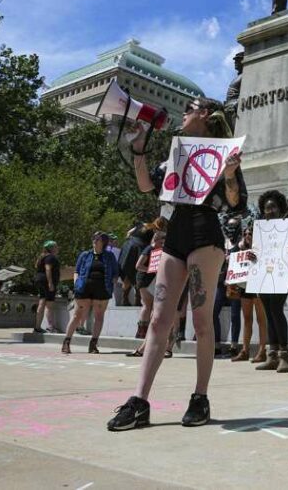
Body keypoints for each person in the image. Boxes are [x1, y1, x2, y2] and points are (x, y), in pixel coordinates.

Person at [108, 96, 245, 431]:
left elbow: (235, 202)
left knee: (201, 320)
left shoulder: (223, 152)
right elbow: (147, 186)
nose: (183, 113)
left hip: (206, 232)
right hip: (177, 232)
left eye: (189, 107)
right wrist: (138, 149)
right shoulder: (178, 151)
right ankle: (139, 401)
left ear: (204, 115)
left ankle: (200, 397)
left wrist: (229, 173)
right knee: (158, 319)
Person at [247, 189, 288, 373]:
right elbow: (255, 254)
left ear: (280, 208)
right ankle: (272, 355)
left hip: (280, 276)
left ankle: (285, 354)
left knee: (277, 310)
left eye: (273, 207)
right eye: (267, 208)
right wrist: (250, 254)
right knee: (268, 313)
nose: (270, 211)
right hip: (263, 276)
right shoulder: (259, 230)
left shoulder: (286, 229)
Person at [62, 232, 120, 355]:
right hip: (84, 288)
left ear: (103, 242)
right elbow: (76, 271)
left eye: (97, 239)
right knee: (77, 316)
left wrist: (112, 282)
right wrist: (76, 283)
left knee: (99, 316)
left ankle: (93, 344)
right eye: (93, 238)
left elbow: (116, 272)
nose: (94, 240)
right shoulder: (85, 255)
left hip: (102, 289)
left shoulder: (109, 256)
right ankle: (66, 342)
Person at [128, 228, 175, 360]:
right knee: (150, 308)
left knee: (154, 309)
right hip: (147, 281)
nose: (164, 243)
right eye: (163, 240)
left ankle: (147, 339)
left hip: (154, 282)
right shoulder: (150, 249)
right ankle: (143, 333)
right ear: (157, 239)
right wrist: (152, 269)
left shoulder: (160, 251)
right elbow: (138, 265)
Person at [233, 209, 268, 364]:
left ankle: (262, 350)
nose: (248, 236)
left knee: (261, 319)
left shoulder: (262, 249)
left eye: (250, 233)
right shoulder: (240, 248)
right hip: (245, 285)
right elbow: (233, 263)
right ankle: (245, 350)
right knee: (246, 318)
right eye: (246, 233)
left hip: (259, 285)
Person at [215, 207, 246, 357]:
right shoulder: (222, 242)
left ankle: (234, 345)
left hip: (235, 282)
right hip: (221, 281)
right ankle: (216, 344)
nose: (231, 229)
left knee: (235, 314)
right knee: (214, 312)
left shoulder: (241, 243)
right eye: (229, 226)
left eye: (234, 226)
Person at [118, 220, 152, 307]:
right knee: (139, 273)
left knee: (128, 273)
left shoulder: (139, 225)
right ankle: (137, 299)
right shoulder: (153, 229)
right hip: (140, 248)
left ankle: (125, 299)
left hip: (129, 246)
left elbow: (128, 233)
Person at [33, 241, 61, 334]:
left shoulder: (42, 257)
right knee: (49, 305)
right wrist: (50, 283)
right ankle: (50, 326)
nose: (58, 248)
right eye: (56, 246)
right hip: (46, 281)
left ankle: (37, 327)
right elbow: (48, 269)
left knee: (42, 302)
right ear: (52, 248)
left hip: (39, 280)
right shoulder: (50, 257)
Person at [223, 52, 244, 132]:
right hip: (228, 107)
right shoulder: (239, 76)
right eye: (235, 60)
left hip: (233, 107)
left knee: (235, 132)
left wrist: (237, 102)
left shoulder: (245, 75)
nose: (235, 62)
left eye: (238, 60)